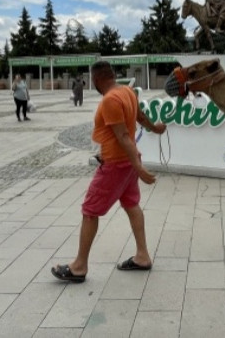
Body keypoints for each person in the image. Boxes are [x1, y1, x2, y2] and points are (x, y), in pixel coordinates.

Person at [51, 60, 166, 283]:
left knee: (90, 211)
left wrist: (138, 167)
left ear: (96, 79)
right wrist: (156, 128)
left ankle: (79, 267)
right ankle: (142, 256)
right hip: (127, 163)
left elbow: (123, 136)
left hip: (115, 164)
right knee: (132, 205)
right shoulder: (127, 92)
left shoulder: (110, 100)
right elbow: (140, 117)